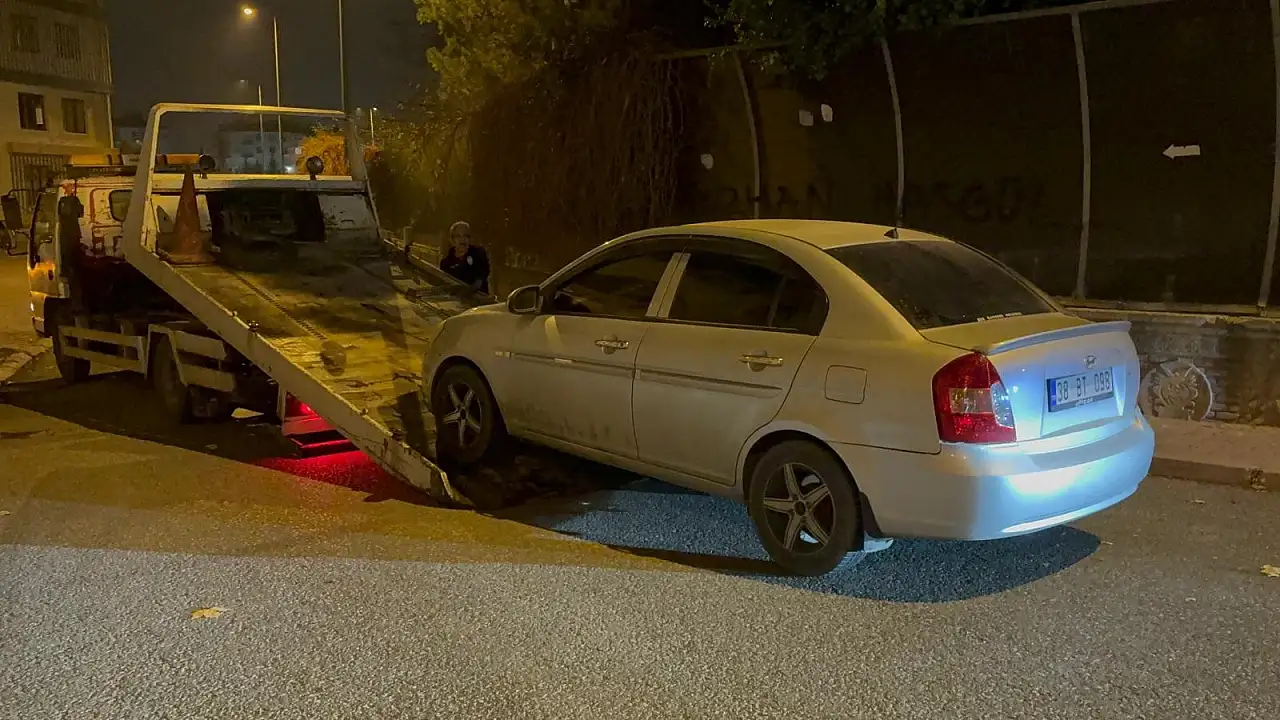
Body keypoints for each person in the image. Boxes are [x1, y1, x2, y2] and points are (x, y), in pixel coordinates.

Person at [440, 220, 490, 294]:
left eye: (466, 235)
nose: (462, 239)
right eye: (458, 236)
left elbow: (479, 282)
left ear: (470, 239)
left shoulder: (479, 254)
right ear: (452, 240)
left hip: (479, 302)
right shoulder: (446, 263)